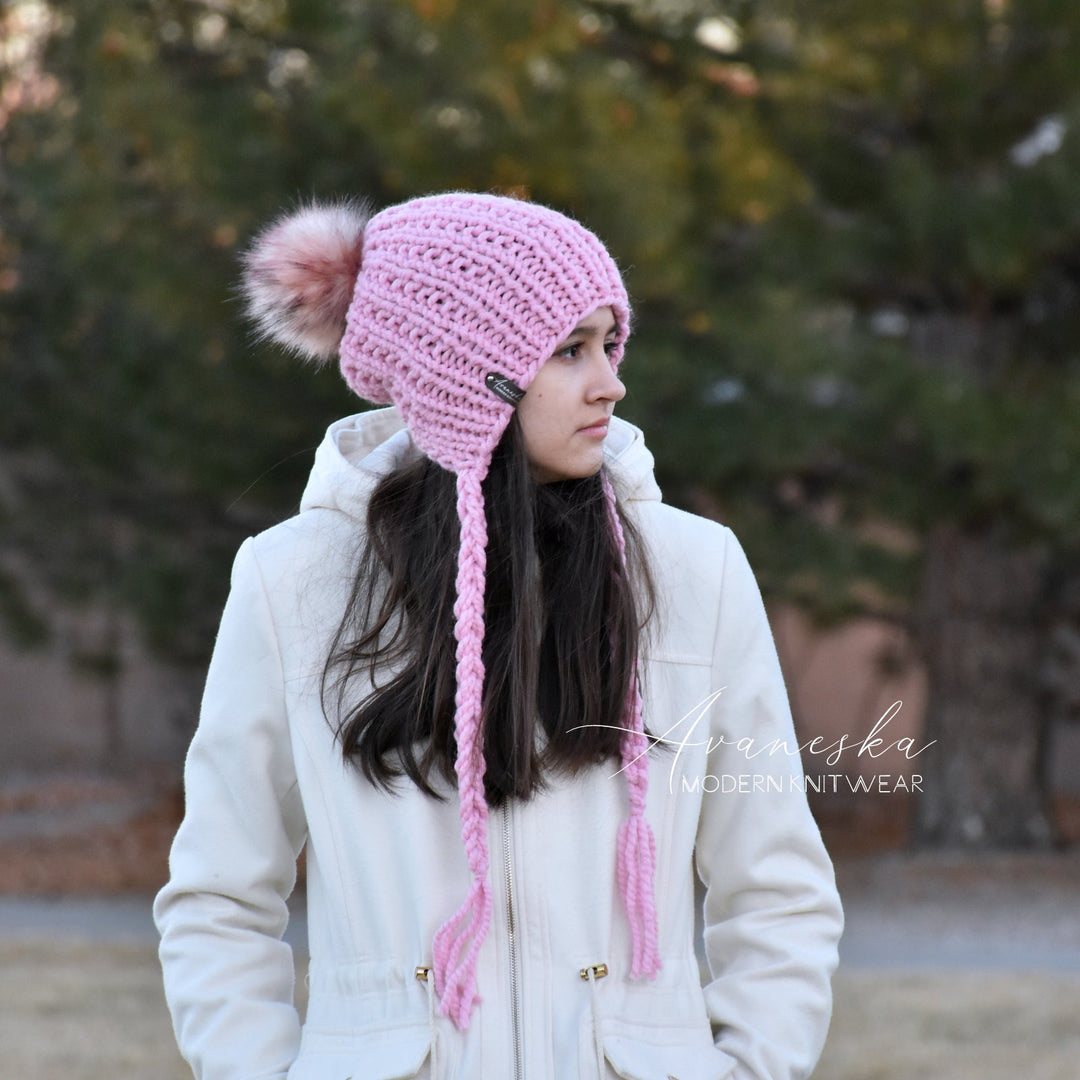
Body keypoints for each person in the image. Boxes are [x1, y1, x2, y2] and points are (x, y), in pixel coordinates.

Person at [154, 191, 843, 1080]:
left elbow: (777, 885)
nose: (611, 382)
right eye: (569, 350)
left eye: (607, 343)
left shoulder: (692, 570)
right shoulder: (293, 582)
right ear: (463, 377)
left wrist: (746, 1069)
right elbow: (220, 894)